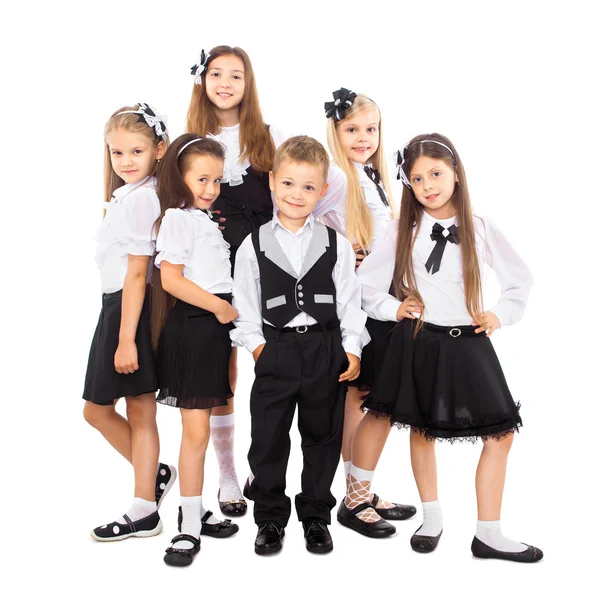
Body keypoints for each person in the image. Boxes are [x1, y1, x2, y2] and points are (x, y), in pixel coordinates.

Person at [342, 133, 542, 562]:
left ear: (455, 173)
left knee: (501, 433)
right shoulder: (402, 229)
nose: (428, 185)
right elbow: (365, 285)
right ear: (408, 185)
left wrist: (498, 314)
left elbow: (519, 280)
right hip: (420, 341)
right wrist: (396, 308)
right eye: (417, 179)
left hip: (468, 342)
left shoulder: (480, 227)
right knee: (422, 428)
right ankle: (431, 516)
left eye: (436, 173)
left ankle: (489, 532)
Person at [231, 136, 368, 554]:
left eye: (308, 187)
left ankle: (315, 517)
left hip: (326, 351)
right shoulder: (252, 245)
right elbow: (245, 307)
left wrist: (352, 349)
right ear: (273, 182)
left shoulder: (335, 244)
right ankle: (270, 518)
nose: (296, 194)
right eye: (288, 183)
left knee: (322, 437)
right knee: (268, 439)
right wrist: (260, 350)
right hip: (276, 350)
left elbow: (350, 300)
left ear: (322, 191)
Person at [186, 46, 286, 515]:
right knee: (221, 376)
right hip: (211, 277)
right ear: (203, 80)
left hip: (268, 271)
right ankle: (226, 475)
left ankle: (264, 466)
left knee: (275, 369)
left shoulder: (268, 138)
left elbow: (304, 193)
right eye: (216, 73)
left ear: (249, 85)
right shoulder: (189, 142)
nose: (225, 83)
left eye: (236, 75)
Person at [315, 88, 415, 529]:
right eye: (351, 129)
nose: (362, 137)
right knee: (362, 398)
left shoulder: (369, 174)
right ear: (335, 131)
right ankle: (355, 499)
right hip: (359, 299)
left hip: (381, 293)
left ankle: (362, 488)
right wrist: (337, 251)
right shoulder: (337, 175)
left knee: (371, 397)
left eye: (370, 129)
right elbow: (299, 214)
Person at [84, 103, 176, 542]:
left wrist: (127, 340)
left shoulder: (143, 199)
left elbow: (138, 273)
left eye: (136, 152)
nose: (125, 162)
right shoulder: (128, 195)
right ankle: (152, 475)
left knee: (139, 409)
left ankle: (144, 509)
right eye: (116, 153)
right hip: (115, 308)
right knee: (96, 410)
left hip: (131, 311)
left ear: (159, 149)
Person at [152, 134, 240, 567]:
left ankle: (195, 510)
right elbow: (171, 279)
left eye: (217, 180)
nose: (210, 188)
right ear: (180, 177)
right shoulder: (177, 218)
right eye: (201, 179)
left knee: (202, 430)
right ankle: (187, 525)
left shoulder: (204, 219)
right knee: (196, 433)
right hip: (194, 327)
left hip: (214, 330)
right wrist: (220, 306)